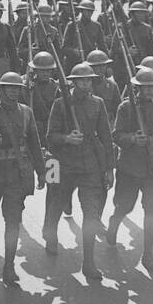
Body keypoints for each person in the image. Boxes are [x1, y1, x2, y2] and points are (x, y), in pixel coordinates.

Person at [0, 71, 45, 284]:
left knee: (12, 221)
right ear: (1, 90)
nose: (13, 91)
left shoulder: (26, 113)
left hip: (16, 174)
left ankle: (9, 266)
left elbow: (34, 143)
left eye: (16, 88)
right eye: (9, 88)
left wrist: (41, 171)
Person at [42, 62, 114, 280]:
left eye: (89, 80)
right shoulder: (60, 104)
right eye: (82, 80)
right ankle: (50, 233)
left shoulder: (98, 104)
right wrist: (66, 138)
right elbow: (49, 137)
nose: (86, 83)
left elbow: (106, 137)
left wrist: (109, 168)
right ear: (73, 82)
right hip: (61, 164)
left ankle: (89, 262)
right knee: (55, 202)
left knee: (91, 214)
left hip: (90, 165)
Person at [106, 66, 153, 272]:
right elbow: (116, 135)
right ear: (137, 89)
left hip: (152, 169)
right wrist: (133, 139)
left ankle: (148, 254)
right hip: (129, 167)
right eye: (146, 88)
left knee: (151, 209)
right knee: (125, 206)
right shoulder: (125, 108)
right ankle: (114, 223)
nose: (151, 91)